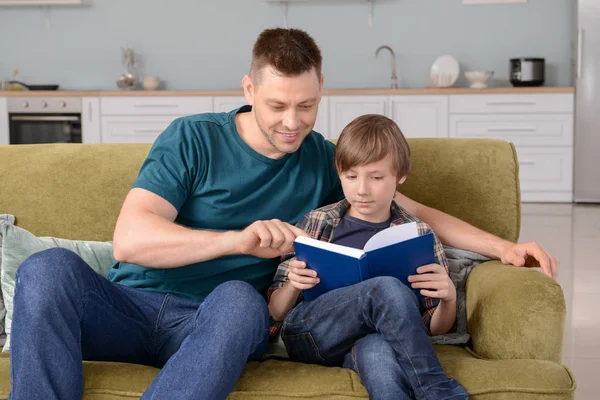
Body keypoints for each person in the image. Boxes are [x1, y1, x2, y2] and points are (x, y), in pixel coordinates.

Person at [9, 28, 558, 400]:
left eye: (307, 105)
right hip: (130, 307)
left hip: (220, 322)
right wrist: (236, 241)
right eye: (277, 106)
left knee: (239, 300)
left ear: (320, 93)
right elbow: (130, 240)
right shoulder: (193, 138)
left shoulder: (322, 156)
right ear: (249, 90)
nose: (293, 122)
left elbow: (415, 210)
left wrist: (507, 248)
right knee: (46, 269)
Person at [268, 114, 469, 399]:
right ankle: (437, 390)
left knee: (380, 361)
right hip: (312, 333)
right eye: (350, 177)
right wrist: (293, 285)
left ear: (400, 176)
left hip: (375, 339)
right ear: (339, 173)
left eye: (375, 177)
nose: (361, 190)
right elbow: (275, 312)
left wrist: (448, 298)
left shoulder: (417, 233)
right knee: (384, 288)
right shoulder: (318, 222)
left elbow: (431, 329)